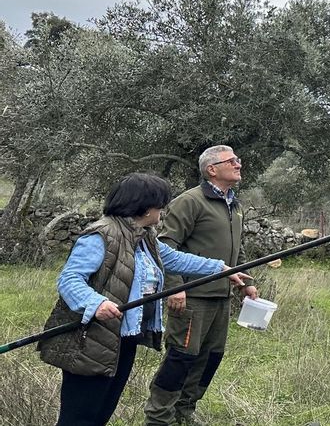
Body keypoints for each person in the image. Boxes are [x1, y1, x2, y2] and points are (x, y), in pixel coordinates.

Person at [39, 173, 247, 426]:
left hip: (123, 338)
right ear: (145, 205)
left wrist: (220, 268)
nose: (163, 210)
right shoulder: (102, 234)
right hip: (93, 338)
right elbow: (70, 280)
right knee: (80, 417)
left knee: (102, 411)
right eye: (161, 204)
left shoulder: (144, 236)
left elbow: (176, 259)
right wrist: (96, 304)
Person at [144, 146, 259, 426]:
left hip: (221, 297)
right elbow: (166, 246)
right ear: (212, 169)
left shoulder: (235, 204)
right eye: (231, 161)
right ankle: (159, 417)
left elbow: (236, 249)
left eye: (237, 159)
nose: (238, 164)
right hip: (192, 297)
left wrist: (246, 282)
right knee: (181, 357)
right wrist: (175, 287)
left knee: (210, 358)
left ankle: (185, 412)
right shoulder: (190, 201)